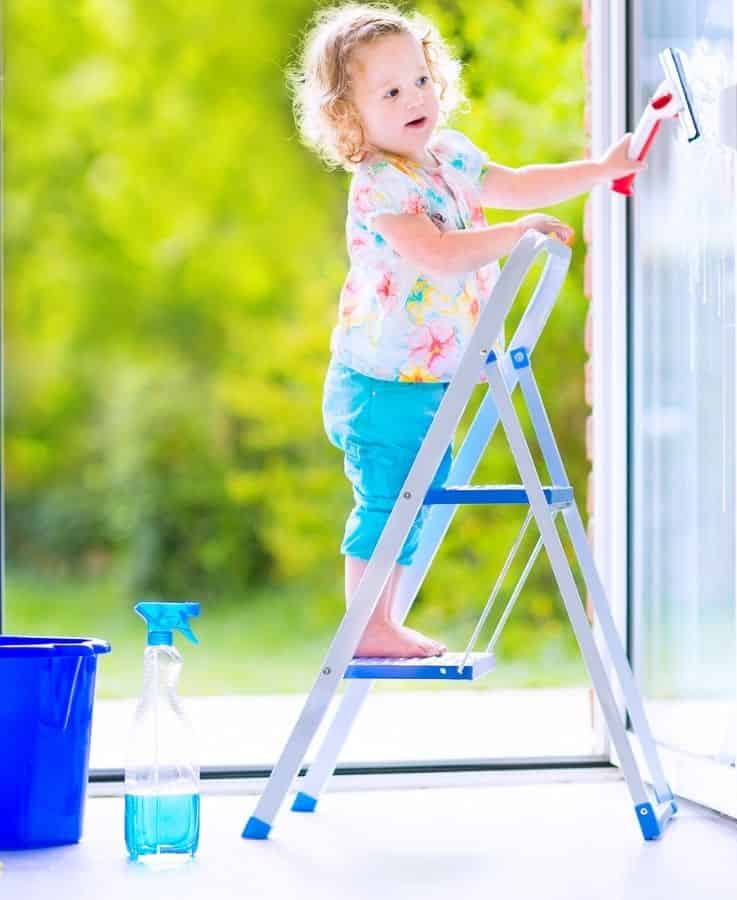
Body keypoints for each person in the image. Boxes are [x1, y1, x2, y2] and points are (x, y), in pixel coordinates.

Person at [290, 3, 643, 658]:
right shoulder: (378, 188)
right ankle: (367, 627)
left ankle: (382, 618)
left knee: (420, 492)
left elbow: (514, 182)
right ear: (349, 116)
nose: (413, 98)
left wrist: (600, 170)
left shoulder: (447, 155)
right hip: (381, 382)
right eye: (389, 92)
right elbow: (438, 253)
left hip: (429, 380)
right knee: (392, 498)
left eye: (419, 79)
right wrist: (513, 235)